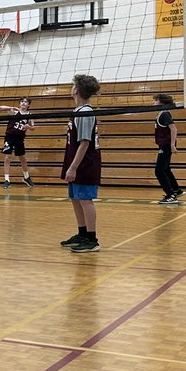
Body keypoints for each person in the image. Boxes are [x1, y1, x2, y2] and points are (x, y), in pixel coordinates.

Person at [60, 74, 102, 254]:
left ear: (76, 89)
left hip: (85, 163)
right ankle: (83, 233)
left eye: (73, 85)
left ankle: (92, 239)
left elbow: (85, 142)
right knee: (76, 198)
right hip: (76, 161)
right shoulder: (79, 111)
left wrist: (74, 166)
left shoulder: (85, 112)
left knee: (85, 199)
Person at [0, 97, 35, 189]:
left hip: (20, 138)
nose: (23, 103)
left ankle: (26, 177)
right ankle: (7, 180)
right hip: (9, 137)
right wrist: (12, 107)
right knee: (7, 157)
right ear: (19, 103)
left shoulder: (29, 115)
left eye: (26, 102)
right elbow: (0, 107)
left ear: (28, 105)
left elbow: (33, 127)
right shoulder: (13, 112)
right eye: (22, 101)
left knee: (22, 157)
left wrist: (28, 127)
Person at [153, 93, 184, 204]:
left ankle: (170, 195)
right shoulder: (162, 113)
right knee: (165, 169)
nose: (154, 102)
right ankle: (176, 190)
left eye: (155, 100)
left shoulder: (164, 114)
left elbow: (174, 129)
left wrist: (172, 145)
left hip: (166, 145)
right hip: (164, 145)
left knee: (159, 171)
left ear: (161, 102)